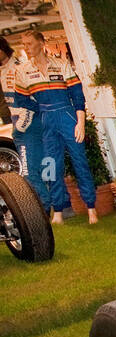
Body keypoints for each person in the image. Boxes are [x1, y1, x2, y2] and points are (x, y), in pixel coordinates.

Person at [11, 30, 97, 224]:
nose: (26, 48)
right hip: (46, 121)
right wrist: (40, 109)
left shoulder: (62, 65)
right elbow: (20, 99)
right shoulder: (23, 71)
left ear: (41, 43)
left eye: (30, 43)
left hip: (68, 117)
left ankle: (91, 208)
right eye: (24, 44)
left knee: (80, 162)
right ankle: (57, 211)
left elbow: (77, 95)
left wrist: (80, 122)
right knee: (50, 166)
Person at [0, 36, 51, 213]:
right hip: (29, 122)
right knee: (45, 164)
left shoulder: (17, 68)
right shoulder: (5, 69)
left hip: (28, 124)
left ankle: (44, 209)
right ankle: (60, 207)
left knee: (29, 170)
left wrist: (20, 127)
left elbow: (29, 102)